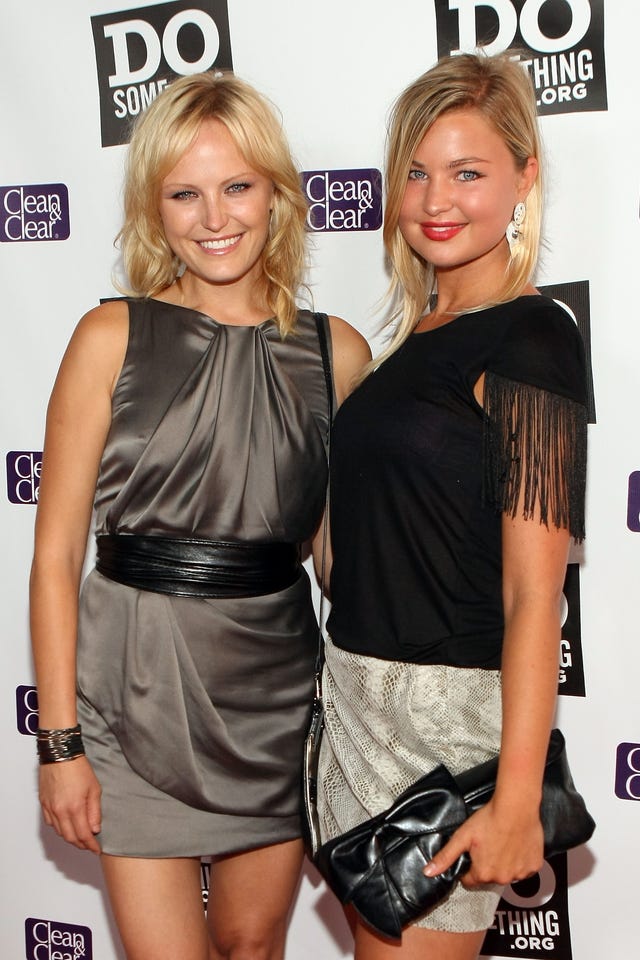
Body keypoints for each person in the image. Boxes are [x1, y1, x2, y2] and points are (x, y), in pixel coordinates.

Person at [30, 71, 370, 960]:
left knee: (254, 946)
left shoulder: (335, 354)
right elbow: (56, 556)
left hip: (276, 698)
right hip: (132, 693)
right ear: (154, 206)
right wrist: (59, 744)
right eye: (184, 193)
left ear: (276, 194)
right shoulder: (108, 338)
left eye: (237, 186)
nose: (214, 217)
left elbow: (340, 560)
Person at [317, 51, 588, 960]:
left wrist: (515, 800)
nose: (437, 199)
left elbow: (533, 593)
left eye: (467, 172)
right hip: (352, 703)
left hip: (440, 729)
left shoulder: (534, 338)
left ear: (524, 177)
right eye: (417, 172)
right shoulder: (412, 338)